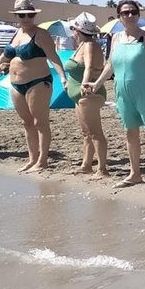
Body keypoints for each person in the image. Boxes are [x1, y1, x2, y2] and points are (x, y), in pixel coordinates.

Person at [85, 0, 145, 188]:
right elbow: (110, 65)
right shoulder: (116, 38)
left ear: (138, 15)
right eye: (125, 12)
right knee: (130, 132)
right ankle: (135, 173)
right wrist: (96, 83)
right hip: (122, 92)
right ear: (119, 16)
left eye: (133, 12)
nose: (130, 15)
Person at [0, 0, 67, 173]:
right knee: (27, 123)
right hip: (16, 84)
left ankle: (42, 161)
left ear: (34, 15)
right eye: (22, 14)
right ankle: (32, 158)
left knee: (40, 122)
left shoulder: (41, 34)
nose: (26, 18)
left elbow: (54, 57)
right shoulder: (17, 33)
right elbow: (6, 55)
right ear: (16, 16)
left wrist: (63, 77)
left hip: (38, 82)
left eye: (30, 14)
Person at [63, 13, 110, 180]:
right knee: (86, 132)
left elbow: (89, 67)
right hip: (80, 94)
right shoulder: (83, 44)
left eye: (73, 29)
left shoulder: (89, 45)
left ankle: (102, 169)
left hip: (89, 94)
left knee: (95, 132)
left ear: (77, 30)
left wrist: (83, 84)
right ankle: (86, 165)